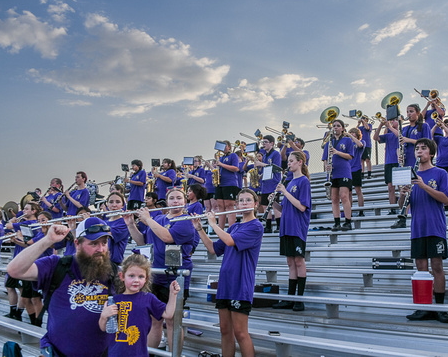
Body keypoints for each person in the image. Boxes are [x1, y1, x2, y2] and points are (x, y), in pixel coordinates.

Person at [6, 217, 116, 356]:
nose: (100, 249)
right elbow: (14, 270)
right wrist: (48, 240)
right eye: (93, 244)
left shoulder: (113, 272)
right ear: (77, 244)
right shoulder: (57, 265)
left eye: (104, 243)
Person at [192, 189, 263, 357]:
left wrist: (214, 224)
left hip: (240, 284)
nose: (244, 203)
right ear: (236, 205)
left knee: (240, 333)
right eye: (241, 200)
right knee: (225, 331)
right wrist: (200, 229)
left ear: (255, 204)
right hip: (225, 284)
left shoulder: (256, 226)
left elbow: (230, 242)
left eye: (248, 200)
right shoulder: (234, 227)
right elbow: (213, 249)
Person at [124, 188, 194, 354]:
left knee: (172, 321)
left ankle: (174, 354)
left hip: (176, 277)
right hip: (156, 275)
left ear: (184, 202)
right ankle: (149, 353)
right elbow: (143, 241)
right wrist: (131, 224)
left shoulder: (186, 220)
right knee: (154, 320)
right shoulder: (159, 218)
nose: (175, 201)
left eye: (179, 198)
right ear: (167, 201)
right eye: (172, 198)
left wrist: (148, 219)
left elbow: (167, 237)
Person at [403, 138, 448, 324]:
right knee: (421, 268)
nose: (419, 151)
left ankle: (440, 308)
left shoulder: (440, 173)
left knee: (437, 266)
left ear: (431, 153)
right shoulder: (410, 175)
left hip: (435, 227)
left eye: (423, 148)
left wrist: (424, 186)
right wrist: (403, 196)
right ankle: (424, 306)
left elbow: (446, 199)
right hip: (417, 228)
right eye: (417, 148)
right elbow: (404, 207)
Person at [99, 253, 180, 357]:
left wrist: (173, 295)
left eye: (141, 276)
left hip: (139, 353)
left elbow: (168, 314)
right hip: (116, 353)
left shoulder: (148, 298)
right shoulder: (114, 300)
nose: (136, 280)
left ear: (146, 278)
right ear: (122, 276)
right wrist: (103, 316)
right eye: (131, 276)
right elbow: (103, 328)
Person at [271, 152, 311, 312]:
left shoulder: (303, 181)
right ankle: (290, 298)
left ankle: (299, 299)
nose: (289, 164)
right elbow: (285, 208)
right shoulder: (289, 183)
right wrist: (274, 203)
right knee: (290, 262)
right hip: (286, 227)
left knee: (299, 261)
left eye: (292, 161)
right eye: (288, 161)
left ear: (300, 162)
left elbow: (302, 206)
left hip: (297, 227)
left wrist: (285, 192)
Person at [3, 202, 41, 321]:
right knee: (11, 287)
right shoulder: (25, 223)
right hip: (18, 258)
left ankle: (20, 315)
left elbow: (8, 226)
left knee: (25, 293)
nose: (23, 211)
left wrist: (14, 220)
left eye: (26, 209)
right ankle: (15, 312)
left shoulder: (29, 223)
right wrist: (15, 239)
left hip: (25, 262)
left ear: (34, 211)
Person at [322, 119, 355, 231]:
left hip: (344, 171)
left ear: (342, 128)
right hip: (333, 173)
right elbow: (325, 159)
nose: (335, 127)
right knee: (334, 198)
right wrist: (327, 166)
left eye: (338, 126)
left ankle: (348, 221)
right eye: (334, 126)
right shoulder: (328, 143)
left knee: (344, 196)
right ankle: (336, 222)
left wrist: (337, 152)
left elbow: (350, 156)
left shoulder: (347, 140)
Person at [255, 135, 282, 233]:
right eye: (263, 142)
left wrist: (260, 164)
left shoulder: (276, 154)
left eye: (265, 142)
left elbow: (276, 167)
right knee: (265, 206)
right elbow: (267, 169)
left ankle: (279, 226)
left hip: (273, 183)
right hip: (265, 183)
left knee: (274, 205)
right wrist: (260, 175)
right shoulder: (265, 155)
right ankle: (268, 226)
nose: (263, 144)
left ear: (271, 143)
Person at [375, 118, 400, 215]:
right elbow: (375, 138)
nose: (392, 122)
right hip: (389, 162)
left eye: (395, 120)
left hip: (398, 161)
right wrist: (381, 125)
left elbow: (398, 135)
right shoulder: (388, 134)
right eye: (391, 120)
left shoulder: (402, 131)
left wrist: (389, 126)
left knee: (401, 186)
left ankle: (402, 206)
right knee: (390, 187)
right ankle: (392, 208)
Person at [215, 141, 241, 230]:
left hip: (230, 183)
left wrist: (221, 164)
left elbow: (236, 168)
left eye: (224, 145)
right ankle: (220, 229)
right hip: (220, 183)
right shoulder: (221, 157)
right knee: (220, 206)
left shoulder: (233, 155)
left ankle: (231, 229)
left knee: (229, 206)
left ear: (229, 147)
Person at [104, 192, 130, 265]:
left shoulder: (124, 222)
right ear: (107, 205)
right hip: (101, 262)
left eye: (118, 202)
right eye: (111, 202)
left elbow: (106, 234)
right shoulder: (104, 222)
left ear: (122, 205)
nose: (114, 205)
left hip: (114, 263)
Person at [345, 127, 366, 217]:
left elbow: (360, 145)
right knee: (349, 192)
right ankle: (349, 211)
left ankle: (361, 211)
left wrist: (350, 136)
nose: (352, 134)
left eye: (354, 133)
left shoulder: (361, 142)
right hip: (347, 170)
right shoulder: (348, 144)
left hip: (356, 168)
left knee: (358, 190)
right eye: (351, 133)